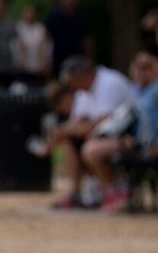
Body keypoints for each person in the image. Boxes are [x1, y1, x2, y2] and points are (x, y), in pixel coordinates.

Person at [47, 55, 139, 209]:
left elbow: (104, 122)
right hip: (105, 135)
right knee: (69, 142)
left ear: (84, 75)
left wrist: (76, 129)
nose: (71, 87)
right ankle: (77, 192)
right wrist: (62, 131)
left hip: (130, 134)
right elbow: (78, 120)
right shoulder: (83, 89)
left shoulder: (109, 82)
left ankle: (114, 191)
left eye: (72, 81)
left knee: (91, 149)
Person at [83, 49, 158, 213]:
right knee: (90, 147)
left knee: (92, 149)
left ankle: (118, 192)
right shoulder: (136, 90)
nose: (140, 71)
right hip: (135, 141)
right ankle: (113, 191)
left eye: (147, 66)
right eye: (137, 66)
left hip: (151, 145)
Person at [45, 0, 92, 77]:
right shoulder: (53, 16)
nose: (69, 2)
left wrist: (89, 58)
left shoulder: (81, 17)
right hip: (58, 56)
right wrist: (47, 57)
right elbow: (47, 37)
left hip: (77, 55)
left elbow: (87, 39)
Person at [12, 3, 52, 82]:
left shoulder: (41, 28)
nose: (29, 15)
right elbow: (14, 46)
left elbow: (47, 46)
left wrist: (46, 61)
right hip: (22, 66)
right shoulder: (17, 28)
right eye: (27, 12)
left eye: (31, 12)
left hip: (39, 66)